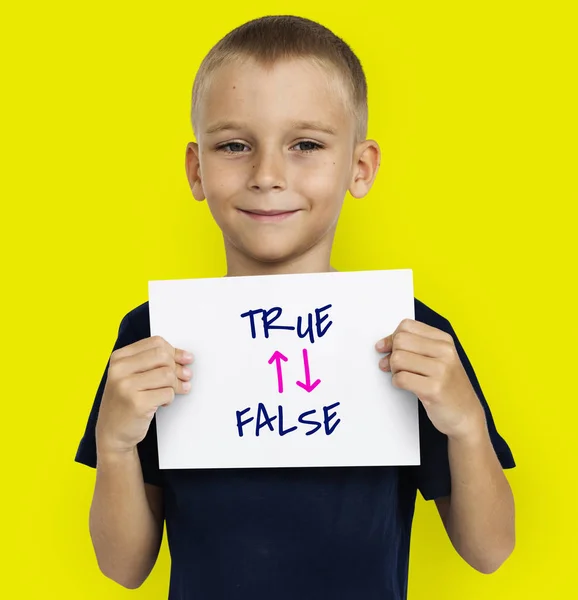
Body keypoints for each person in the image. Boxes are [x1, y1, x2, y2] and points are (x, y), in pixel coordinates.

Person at [75, 14, 516, 600]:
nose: (267, 176)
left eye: (305, 145)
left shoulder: (409, 331)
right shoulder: (155, 335)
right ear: (196, 168)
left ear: (360, 167)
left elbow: (489, 550)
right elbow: (123, 567)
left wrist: (465, 423)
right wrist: (115, 444)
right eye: (234, 145)